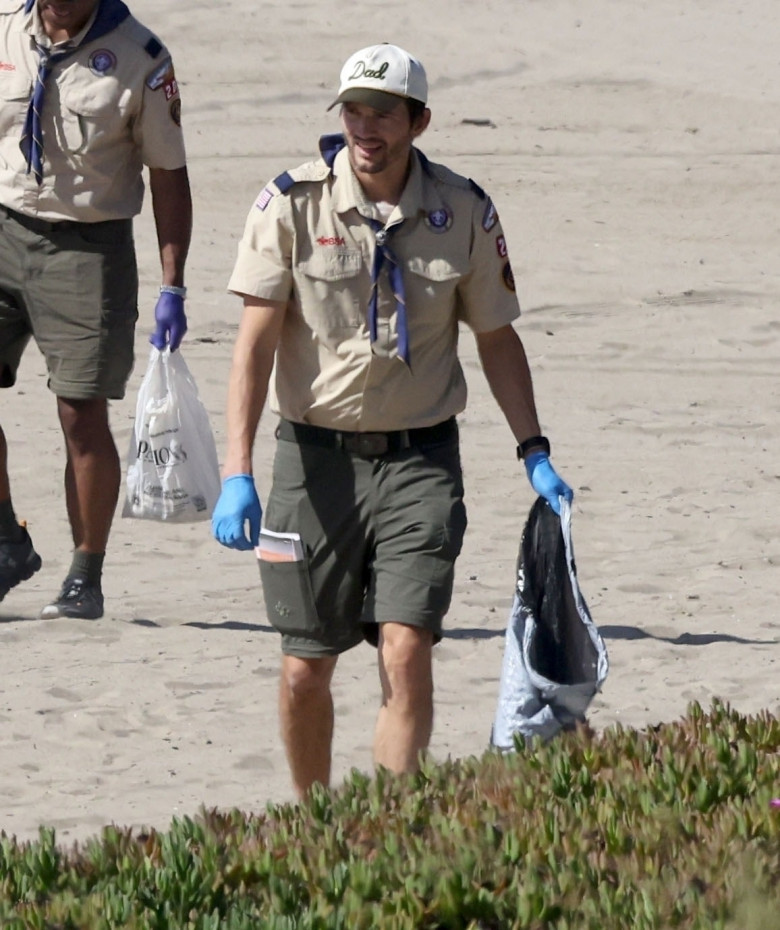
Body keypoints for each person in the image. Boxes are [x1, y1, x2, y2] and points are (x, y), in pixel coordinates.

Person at [212, 43, 572, 797]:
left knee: (405, 651)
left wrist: (532, 448)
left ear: (419, 121)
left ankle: (386, 829)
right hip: (312, 467)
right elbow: (251, 348)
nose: (365, 128)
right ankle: (314, 824)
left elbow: (497, 338)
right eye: (353, 111)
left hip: (420, 463)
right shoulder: (291, 203)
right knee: (305, 668)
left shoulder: (463, 210)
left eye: (382, 113)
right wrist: (236, 473)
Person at [0, 0, 192, 619]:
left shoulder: (142, 59)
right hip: (2, 227)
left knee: (80, 412)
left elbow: (168, 174)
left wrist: (173, 285)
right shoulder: (5, 25)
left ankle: (86, 574)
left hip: (87, 247)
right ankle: (6, 540)